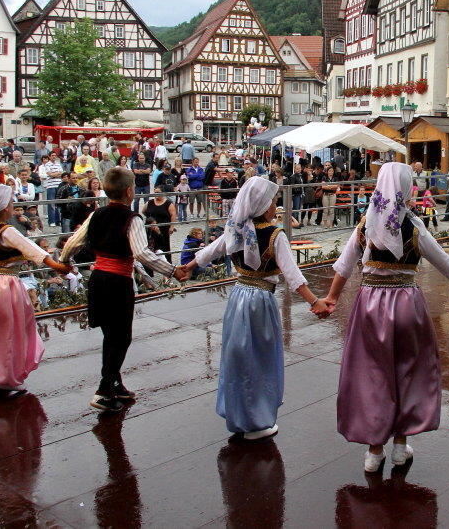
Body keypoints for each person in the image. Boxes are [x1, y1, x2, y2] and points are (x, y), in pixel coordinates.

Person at [317, 162, 449, 471]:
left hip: (370, 304)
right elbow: (447, 265)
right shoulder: (414, 226)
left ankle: (374, 450)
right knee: (408, 370)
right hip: (407, 304)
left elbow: (344, 266)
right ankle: (400, 445)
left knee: (372, 373)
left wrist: (331, 297)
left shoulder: (365, 225)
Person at [178, 177, 327, 439]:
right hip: (260, 301)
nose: (274, 205)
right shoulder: (275, 234)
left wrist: (188, 268)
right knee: (259, 358)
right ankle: (257, 421)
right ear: (261, 204)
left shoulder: (236, 229)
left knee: (238, 356)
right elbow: (292, 274)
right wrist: (315, 302)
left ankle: (240, 414)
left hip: (238, 298)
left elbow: (212, 250)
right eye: (271, 201)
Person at [62, 168, 184, 411]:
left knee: (111, 335)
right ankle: (104, 390)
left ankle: (114, 382)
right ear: (130, 191)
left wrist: (63, 261)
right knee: (121, 337)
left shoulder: (97, 214)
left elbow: (74, 241)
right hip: (118, 281)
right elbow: (141, 252)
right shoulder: (132, 219)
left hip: (98, 278)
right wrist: (172, 270)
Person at [0, 184, 72, 397]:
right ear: (3, 207)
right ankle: (7, 378)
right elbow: (31, 249)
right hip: (6, 283)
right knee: (12, 331)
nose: (13, 206)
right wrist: (57, 266)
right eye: (10, 202)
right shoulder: (6, 230)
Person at [143, 188, 176, 263]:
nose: (156, 194)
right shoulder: (149, 202)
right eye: (155, 192)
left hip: (163, 228)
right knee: (150, 246)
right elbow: (143, 211)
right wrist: (150, 220)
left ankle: (167, 265)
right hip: (151, 229)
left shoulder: (168, 203)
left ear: (163, 193)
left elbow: (173, 215)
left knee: (165, 247)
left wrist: (172, 227)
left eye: (158, 192)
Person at [39, 153, 64, 227]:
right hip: (50, 186)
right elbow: (50, 174)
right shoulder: (47, 165)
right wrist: (56, 174)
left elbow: (61, 174)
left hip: (58, 185)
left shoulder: (58, 164)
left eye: (55, 155)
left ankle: (58, 221)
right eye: (52, 155)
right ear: (49, 157)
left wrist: (54, 174)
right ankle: (51, 221)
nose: (54, 157)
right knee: (51, 204)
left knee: (58, 204)